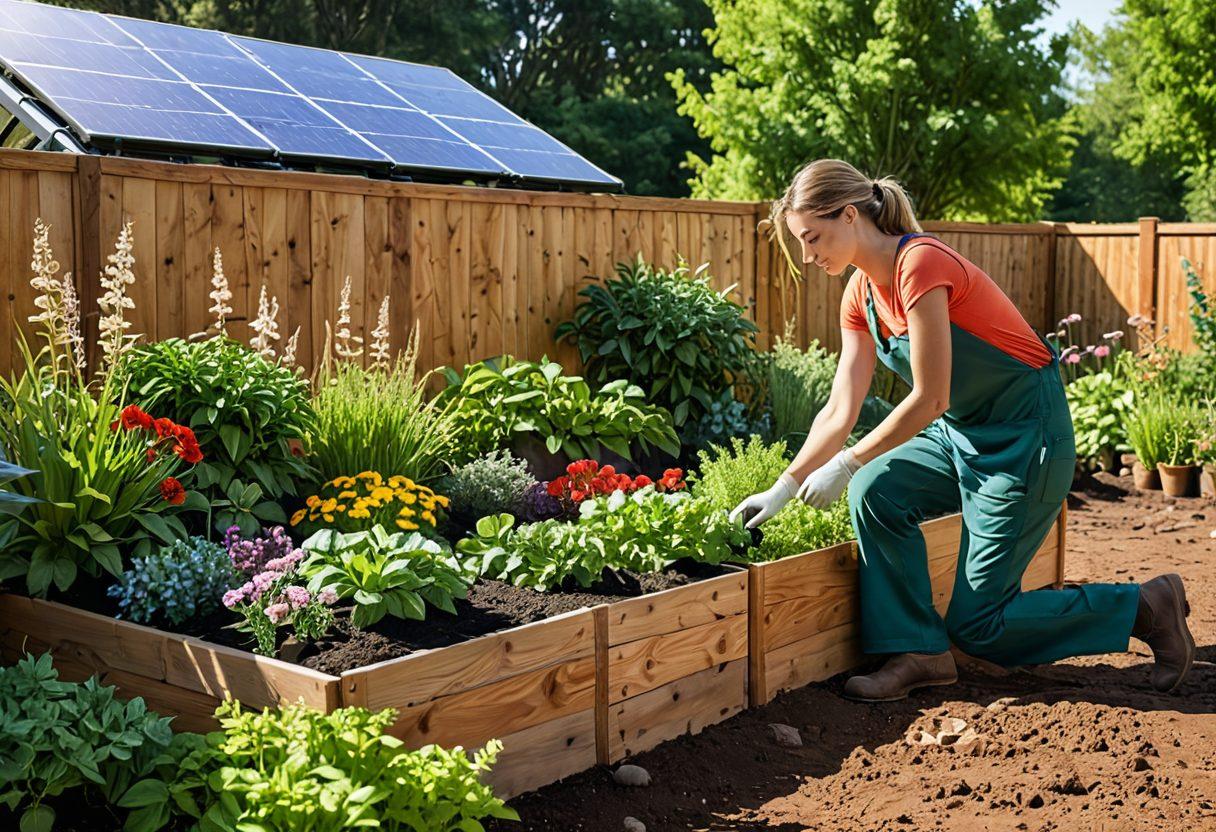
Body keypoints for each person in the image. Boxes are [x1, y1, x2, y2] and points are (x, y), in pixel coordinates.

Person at [730, 159, 1195, 702]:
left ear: (851, 215)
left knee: (981, 626)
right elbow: (840, 406)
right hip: (960, 434)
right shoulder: (859, 294)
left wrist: (847, 460)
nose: (808, 255)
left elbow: (930, 397)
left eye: (813, 238)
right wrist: (784, 486)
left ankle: (1144, 607)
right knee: (876, 491)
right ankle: (919, 651)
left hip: (1027, 438)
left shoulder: (920, 264)